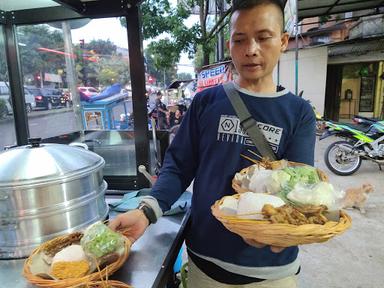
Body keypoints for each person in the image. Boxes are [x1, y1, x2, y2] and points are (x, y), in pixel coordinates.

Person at [109, 0, 315, 287]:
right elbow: (178, 167)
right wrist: (146, 212)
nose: (251, 49)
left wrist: (279, 231)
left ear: (282, 42)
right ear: (229, 45)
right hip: (204, 263)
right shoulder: (207, 102)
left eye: (263, 37)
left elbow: (299, 188)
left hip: (271, 272)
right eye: (240, 39)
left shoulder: (299, 112)